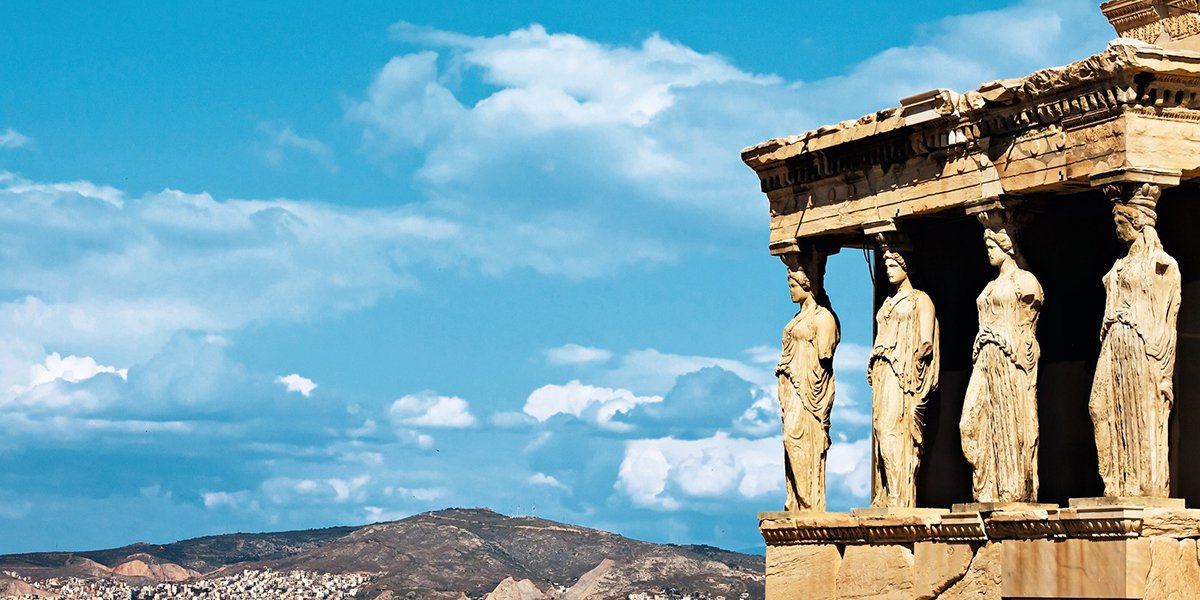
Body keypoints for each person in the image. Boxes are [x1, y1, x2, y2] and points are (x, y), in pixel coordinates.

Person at [1090, 191, 1181, 498]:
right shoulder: (1119, 263)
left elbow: (1169, 314)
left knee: (1141, 411)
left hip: (1141, 342)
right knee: (1099, 407)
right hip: (1114, 339)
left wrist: (1160, 361)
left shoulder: (1161, 264)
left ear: (1138, 222)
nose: (1117, 229)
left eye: (1121, 222)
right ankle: (1115, 480)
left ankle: (1142, 485)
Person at [960, 227, 1043, 503]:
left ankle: (1011, 491)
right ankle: (985, 488)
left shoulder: (1026, 281)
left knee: (1011, 424)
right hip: (984, 357)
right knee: (969, 425)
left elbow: (1029, 325)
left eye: (992, 246)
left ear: (1007, 247)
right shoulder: (989, 287)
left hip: (1009, 358)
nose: (988, 252)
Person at [868, 250, 939, 508]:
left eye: (893, 265)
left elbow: (927, 342)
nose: (888, 271)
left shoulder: (921, 300)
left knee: (893, 432)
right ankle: (887, 493)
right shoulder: (887, 303)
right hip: (883, 372)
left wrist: (913, 360)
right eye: (886, 266)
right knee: (880, 430)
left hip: (903, 374)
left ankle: (899, 497)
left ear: (905, 266)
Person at [776, 265, 840, 512]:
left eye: (794, 285)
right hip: (792, 386)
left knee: (796, 438)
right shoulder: (797, 318)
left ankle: (808, 502)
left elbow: (825, 354)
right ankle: (798, 501)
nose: (790, 291)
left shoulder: (823, 317)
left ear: (807, 285)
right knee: (789, 438)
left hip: (809, 389)